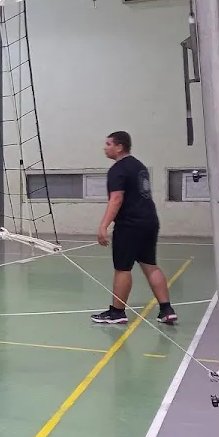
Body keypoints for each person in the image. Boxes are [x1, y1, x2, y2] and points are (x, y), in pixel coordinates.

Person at [93, 131, 177, 325]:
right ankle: (166, 309)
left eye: (108, 144)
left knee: (123, 268)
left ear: (119, 146)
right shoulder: (139, 167)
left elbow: (116, 199)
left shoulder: (118, 169)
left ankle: (117, 312)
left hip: (129, 225)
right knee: (149, 264)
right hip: (149, 222)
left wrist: (103, 225)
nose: (105, 148)